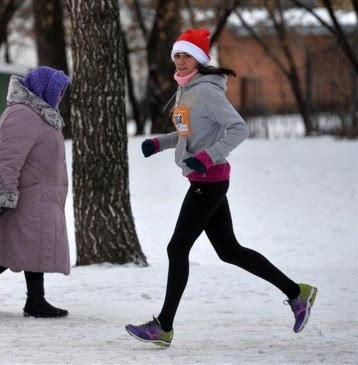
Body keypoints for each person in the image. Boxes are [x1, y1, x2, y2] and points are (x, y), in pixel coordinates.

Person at [125, 29, 317, 347]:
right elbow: (188, 134)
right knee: (229, 250)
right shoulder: (187, 91)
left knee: (177, 248)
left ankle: (163, 326)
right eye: (177, 55)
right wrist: (159, 142)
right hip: (204, 180)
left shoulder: (208, 92)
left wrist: (208, 157)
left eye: (187, 55)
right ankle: (298, 293)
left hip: (209, 181)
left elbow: (238, 128)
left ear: (200, 59)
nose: (180, 61)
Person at [0, 66, 71, 318]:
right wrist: (5, 194)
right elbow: (8, 161)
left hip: (39, 195)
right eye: (58, 91)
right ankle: (35, 301)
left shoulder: (39, 114)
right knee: (31, 246)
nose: (60, 97)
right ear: (43, 89)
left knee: (22, 246)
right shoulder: (23, 115)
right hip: (28, 195)